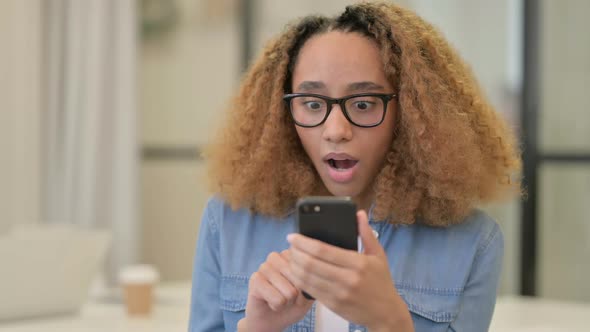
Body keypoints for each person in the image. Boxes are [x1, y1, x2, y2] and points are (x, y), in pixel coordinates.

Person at [189, 2, 521, 331]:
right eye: (312, 103)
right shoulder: (228, 221)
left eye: (362, 104)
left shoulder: (472, 242)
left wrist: (390, 321)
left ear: (409, 112)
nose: (335, 131)